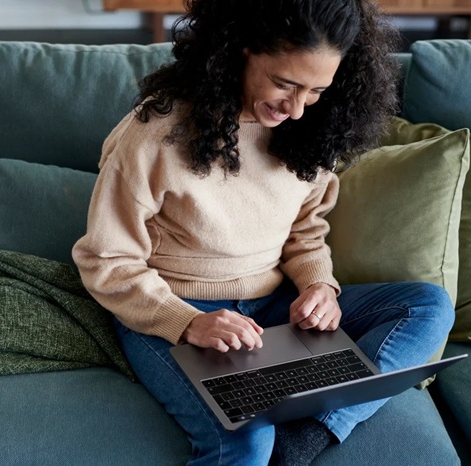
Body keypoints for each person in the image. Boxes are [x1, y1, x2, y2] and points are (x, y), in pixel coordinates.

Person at [72, 0, 455, 464]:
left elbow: (305, 228)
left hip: (272, 307)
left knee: (428, 305)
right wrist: (189, 322)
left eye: (315, 91)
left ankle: (309, 434)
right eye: (285, 84)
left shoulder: (311, 129)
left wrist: (318, 284)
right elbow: (106, 260)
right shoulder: (155, 134)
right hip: (174, 311)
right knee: (246, 438)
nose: (296, 109)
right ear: (241, 50)